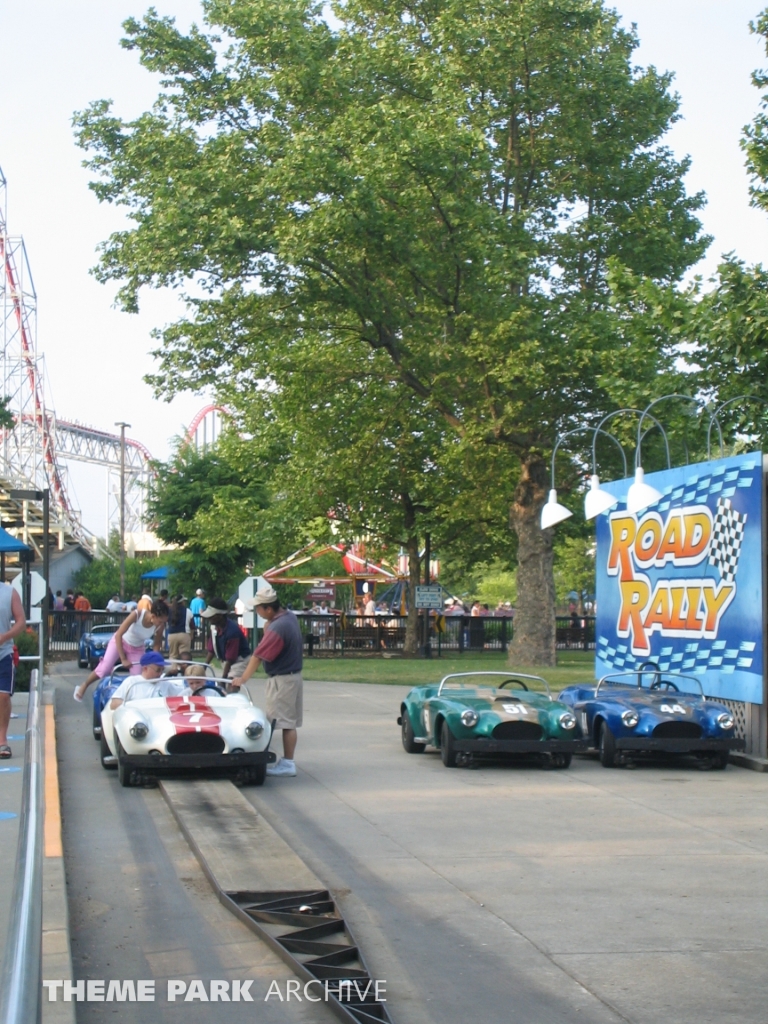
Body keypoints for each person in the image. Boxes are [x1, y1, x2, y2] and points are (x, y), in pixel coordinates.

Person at [231, 586, 303, 778]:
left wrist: (242, 678)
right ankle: (287, 761)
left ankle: (288, 763)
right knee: (288, 721)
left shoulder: (278, 628)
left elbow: (258, 656)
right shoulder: (289, 617)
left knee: (284, 722)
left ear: (268, 609)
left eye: (258, 608)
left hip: (282, 680)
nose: (257, 612)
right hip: (292, 676)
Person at [74, 599, 169, 702]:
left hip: (137, 648)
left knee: (138, 677)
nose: (161, 624)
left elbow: (157, 644)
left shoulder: (160, 626)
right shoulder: (137, 614)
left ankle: (134, 700)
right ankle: (85, 684)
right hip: (120, 641)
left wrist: (155, 660)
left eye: (163, 622)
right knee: (105, 668)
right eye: (160, 621)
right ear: (153, 616)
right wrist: (123, 658)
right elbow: (119, 634)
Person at [0, 583, 26, 759]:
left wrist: (4, 637)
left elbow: (21, 622)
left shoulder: (9, 592)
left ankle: (2, 740)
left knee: (3, 696)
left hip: (4, 653)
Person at [202, 598, 252, 679]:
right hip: (226, 661)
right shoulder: (214, 627)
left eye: (211, 616)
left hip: (240, 660)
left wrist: (224, 678)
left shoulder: (232, 632)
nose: (209, 618)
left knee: (231, 684)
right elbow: (211, 650)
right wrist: (203, 668)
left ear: (220, 616)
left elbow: (231, 658)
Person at [166, 594, 193, 672]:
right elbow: (192, 625)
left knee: (173, 655)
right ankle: (185, 672)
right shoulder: (188, 611)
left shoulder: (169, 611)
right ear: (182, 602)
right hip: (184, 634)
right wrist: (191, 634)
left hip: (171, 635)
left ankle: (173, 671)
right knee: (184, 655)